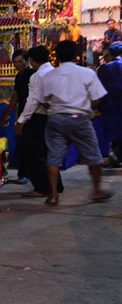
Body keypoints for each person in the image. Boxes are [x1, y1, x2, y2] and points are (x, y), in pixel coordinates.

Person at [38, 40, 112, 206]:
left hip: (55, 119)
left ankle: (54, 195)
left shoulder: (50, 75)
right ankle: (97, 191)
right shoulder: (87, 73)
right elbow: (97, 99)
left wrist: (56, 108)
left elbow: (43, 101)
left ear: (57, 57)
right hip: (79, 119)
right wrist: (85, 106)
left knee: (54, 158)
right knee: (94, 156)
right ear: (76, 56)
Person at [15, 47, 61, 197]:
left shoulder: (37, 75)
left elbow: (32, 101)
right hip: (53, 117)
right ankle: (56, 185)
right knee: (47, 152)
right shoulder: (55, 71)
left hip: (38, 118)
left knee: (32, 153)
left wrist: (21, 121)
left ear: (32, 60)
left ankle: (42, 188)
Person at [1, 49, 32, 183]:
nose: (17, 64)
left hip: (32, 115)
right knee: (23, 145)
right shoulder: (19, 76)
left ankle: (28, 174)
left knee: (29, 146)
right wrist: (8, 115)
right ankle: (24, 173)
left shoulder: (32, 74)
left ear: (27, 61)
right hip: (22, 114)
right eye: (15, 62)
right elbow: (15, 96)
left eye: (20, 61)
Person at [96, 41, 122, 166]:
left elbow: (99, 88)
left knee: (115, 130)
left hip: (109, 105)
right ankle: (116, 154)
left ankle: (116, 154)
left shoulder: (103, 68)